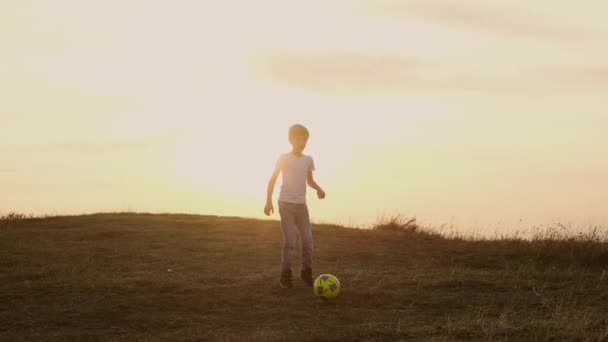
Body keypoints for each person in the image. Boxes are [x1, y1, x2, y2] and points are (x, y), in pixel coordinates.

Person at [264, 124, 326, 288]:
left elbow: (309, 181)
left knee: (307, 239)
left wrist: (318, 189)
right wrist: (268, 201)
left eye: (305, 139)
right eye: (299, 139)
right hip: (285, 205)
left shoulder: (308, 160)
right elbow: (272, 180)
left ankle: (307, 273)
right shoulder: (283, 158)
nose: (302, 142)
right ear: (291, 140)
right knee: (290, 241)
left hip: (301, 206)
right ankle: (286, 275)